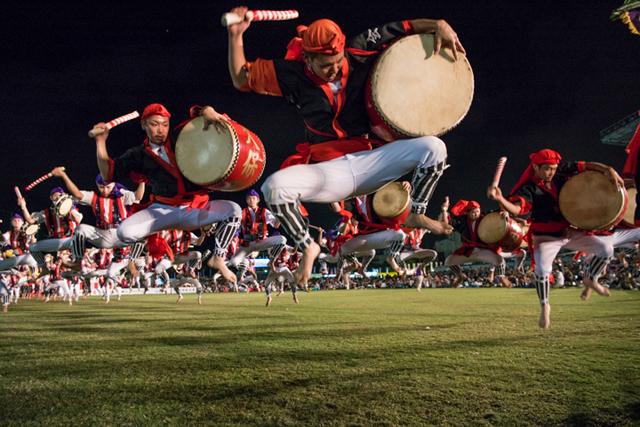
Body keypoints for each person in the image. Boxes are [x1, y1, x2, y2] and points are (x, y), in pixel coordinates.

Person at [227, 9, 463, 284]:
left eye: (338, 61)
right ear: (308, 59)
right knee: (274, 187)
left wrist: (439, 24)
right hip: (329, 171)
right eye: (326, 65)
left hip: (372, 159)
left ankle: (416, 214)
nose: (335, 69)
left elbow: (406, 25)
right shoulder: (291, 74)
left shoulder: (359, 48)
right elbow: (241, 79)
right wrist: (236, 36)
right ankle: (307, 247)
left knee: (433, 148)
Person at [487, 148, 640, 329]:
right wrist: (501, 199)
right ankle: (545, 305)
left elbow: (585, 165)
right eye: (547, 169)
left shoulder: (559, 172)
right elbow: (518, 209)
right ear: (535, 167)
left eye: (554, 168)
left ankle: (591, 278)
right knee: (542, 270)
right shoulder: (528, 188)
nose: (552, 172)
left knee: (605, 249)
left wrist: (607, 169)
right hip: (546, 238)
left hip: (568, 231)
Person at [92, 103, 241, 283]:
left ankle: (218, 257)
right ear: (144, 125)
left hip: (193, 208)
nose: (160, 130)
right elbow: (108, 174)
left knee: (234, 210)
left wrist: (207, 110)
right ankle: (141, 252)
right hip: (161, 210)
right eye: (154, 124)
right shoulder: (138, 155)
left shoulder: (180, 137)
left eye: (164, 124)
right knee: (124, 232)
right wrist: (100, 142)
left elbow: (197, 116)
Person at [49, 167, 144, 261]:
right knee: (80, 229)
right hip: (102, 235)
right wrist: (63, 175)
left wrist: (142, 180)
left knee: (141, 234)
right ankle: (78, 261)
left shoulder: (122, 195)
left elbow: (138, 197)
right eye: (102, 187)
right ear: (97, 185)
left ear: (114, 184)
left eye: (108, 187)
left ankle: (132, 262)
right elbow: (77, 194)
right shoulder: (93, 196)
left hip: (120, 234)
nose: (105, 190)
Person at [440, 197, 512, 288]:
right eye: (473, 212)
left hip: (482, 250)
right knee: (448, 261)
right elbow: (447, 224)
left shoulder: (485, 216)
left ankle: (502, 277)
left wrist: (504, 212)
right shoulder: (462, 220)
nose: (476, 214)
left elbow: (499, 212)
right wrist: (444, 210)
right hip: (468, 251)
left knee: (499, 260)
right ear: (467, 212)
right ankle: (459, 276)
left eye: (478, 211)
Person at [17, 187, 83, 267]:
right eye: (56, 195)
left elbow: (78, 219)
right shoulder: (46, 212)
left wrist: (69, 207)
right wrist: (23, 206)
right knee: (32, 247)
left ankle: (77, 263)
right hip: (55, 242)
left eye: (60, 195)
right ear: (51, 198)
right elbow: (30, 220)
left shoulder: (70, 207)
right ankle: (43, 267)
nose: (59, 197)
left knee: (66, 260)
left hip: (69, 240)